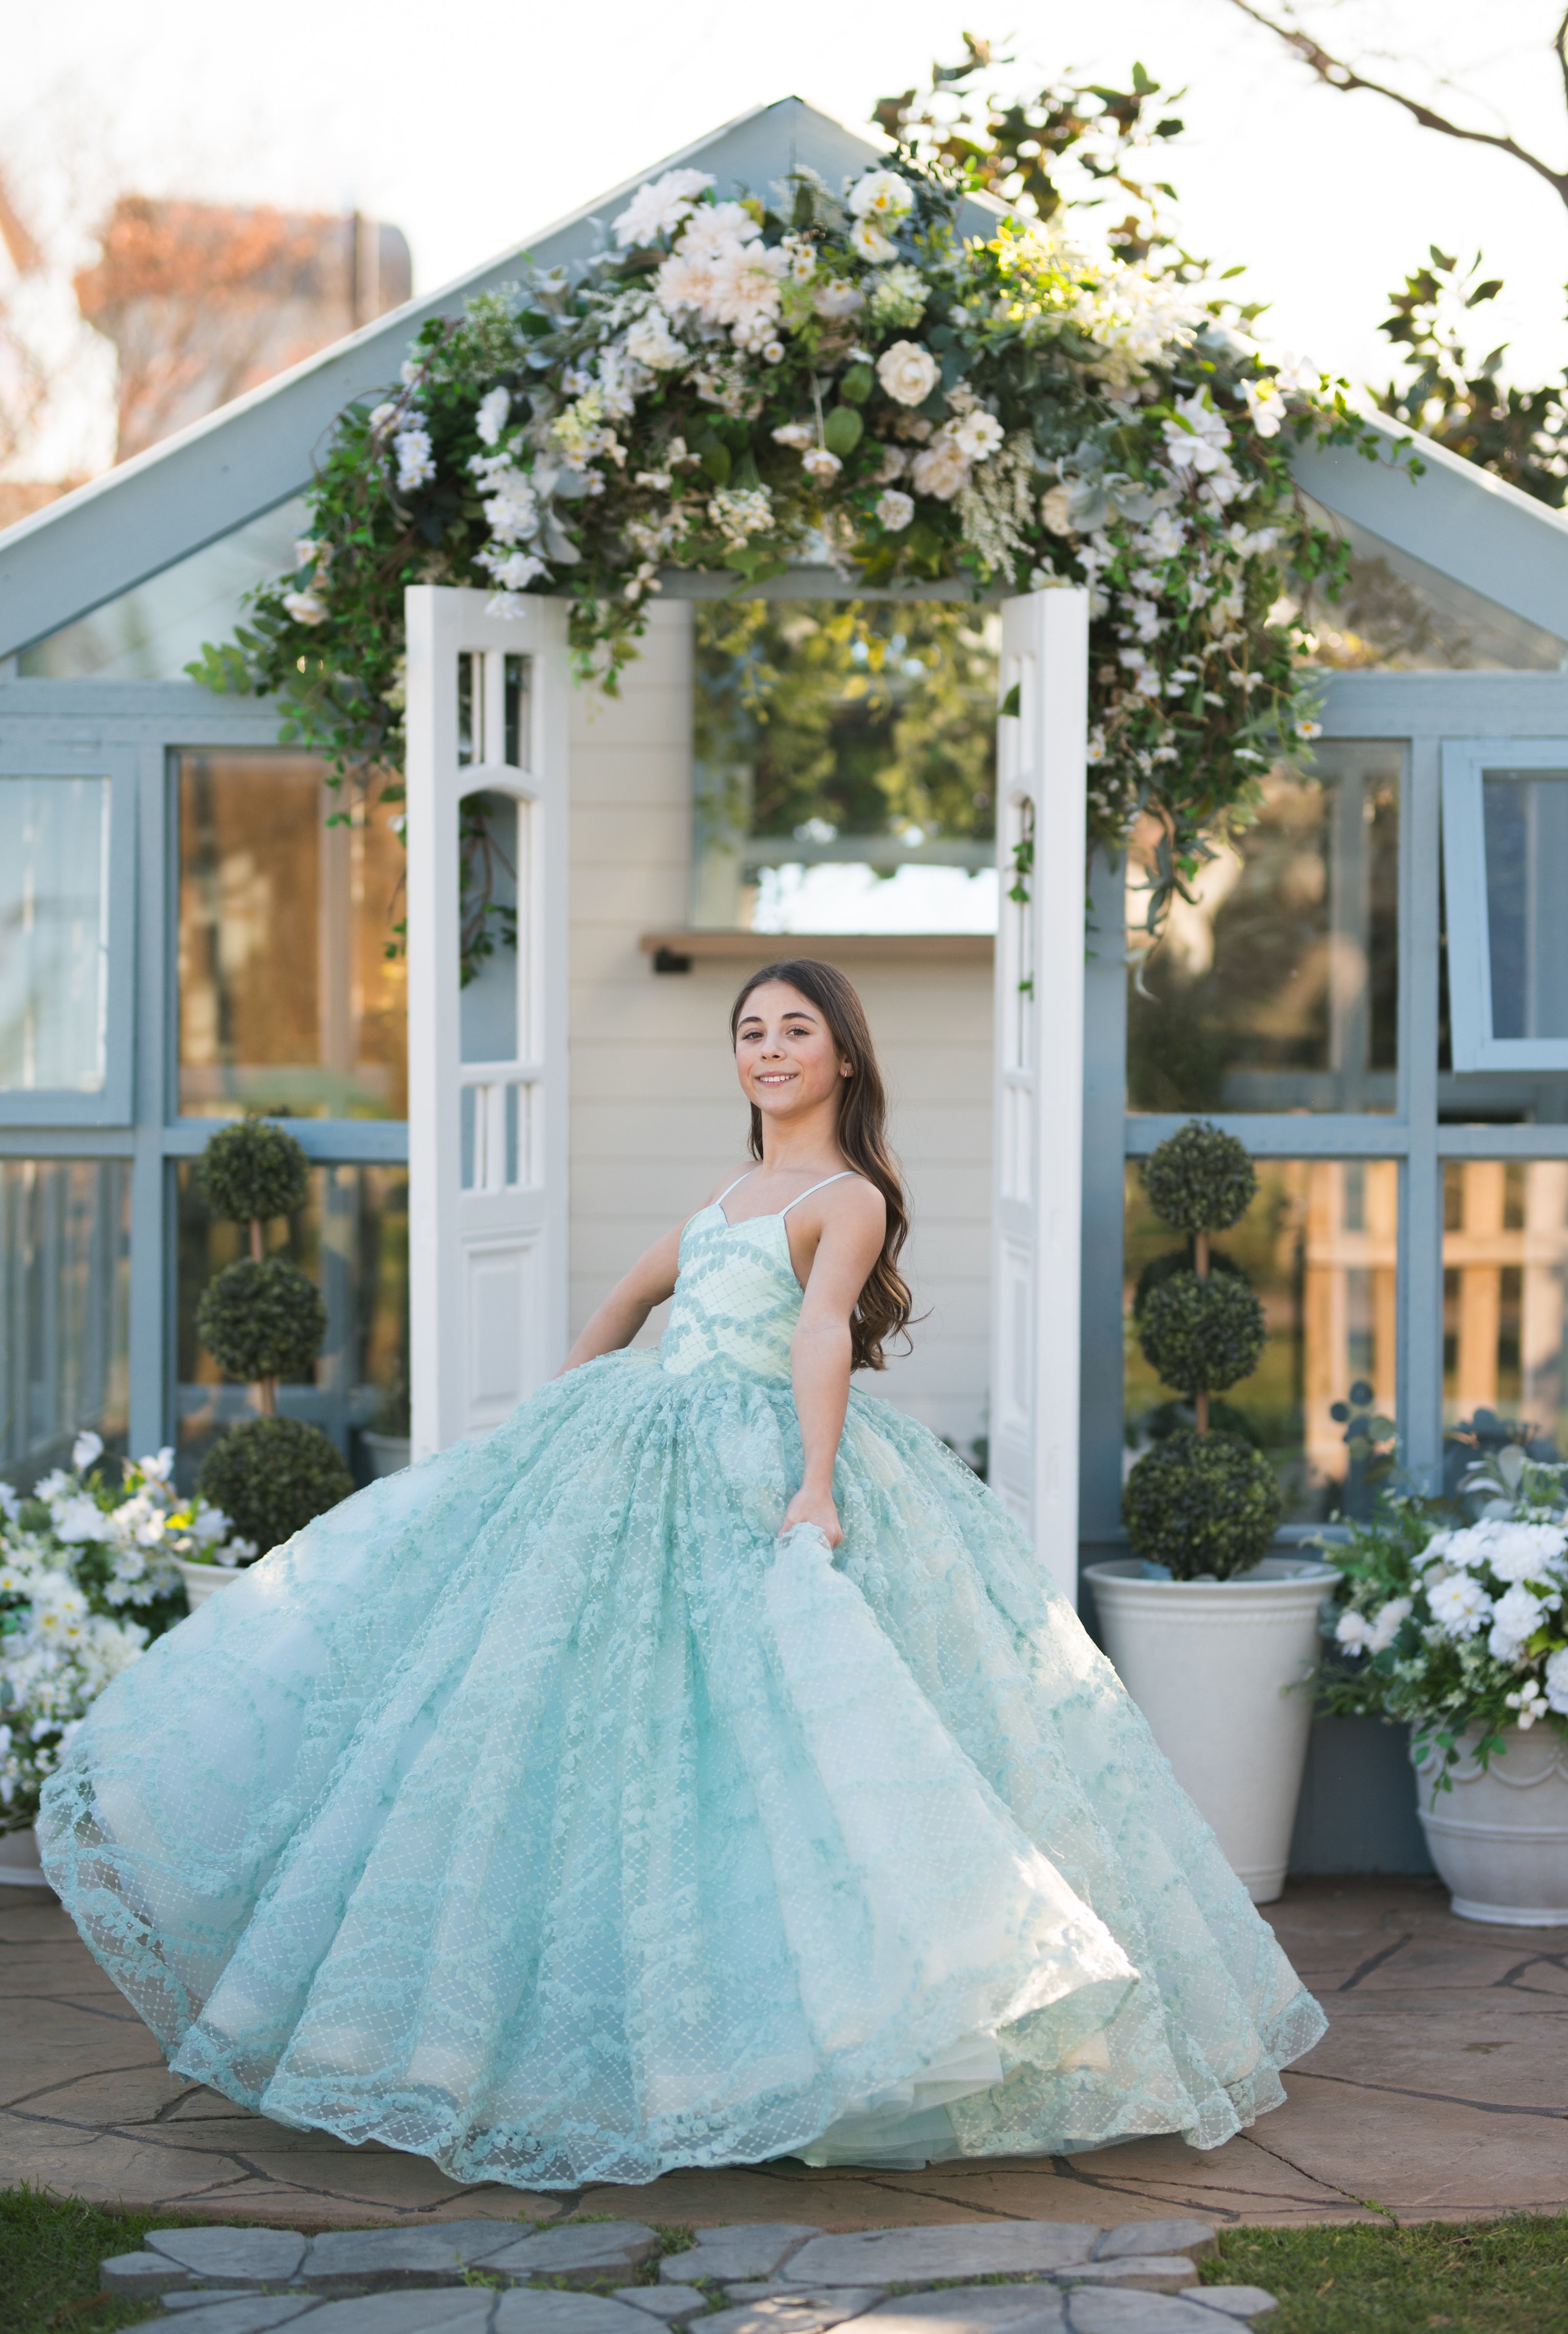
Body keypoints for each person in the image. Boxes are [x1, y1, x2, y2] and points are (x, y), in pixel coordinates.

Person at [38, 958, 1324, 2189]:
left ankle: (829, 2031)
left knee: (786, 1742)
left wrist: (812, 1483)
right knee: (594, 1736)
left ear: (842, 1054)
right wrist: (566, 1409)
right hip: (644, 1448)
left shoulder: (847, 1194)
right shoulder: (726, 1196)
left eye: (794, 1031)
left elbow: (822, 1329)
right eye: (752, 1033)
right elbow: (626, 1301)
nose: (769, 1050)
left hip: (765, 1454)